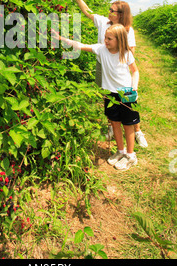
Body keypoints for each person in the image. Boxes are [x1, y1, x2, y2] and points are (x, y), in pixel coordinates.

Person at [51, 24, 140, 171]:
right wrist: (60, 38)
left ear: (119, 40)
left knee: (128, 124)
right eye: (105, 37)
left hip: (127, 92)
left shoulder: (126, 53)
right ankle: (121, 151)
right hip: (109, 93)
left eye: (109, 39)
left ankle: (131, 156)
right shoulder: (101, 49)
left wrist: (134, 87)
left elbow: (135, 71)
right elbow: (80, 45)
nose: (105, 41)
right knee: (115, 122)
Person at [74, 0, 148, 148]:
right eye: (110, 9)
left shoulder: (127, 31)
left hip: (120, 71)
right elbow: (87, 12)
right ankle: (112, 126)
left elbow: (131, 51)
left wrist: (117, 59)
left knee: (129, 102)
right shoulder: (102, 22)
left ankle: (137, 130)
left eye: (113, 10)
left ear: (121, 14)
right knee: (108, 97)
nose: (109, 12)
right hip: (103, 67)